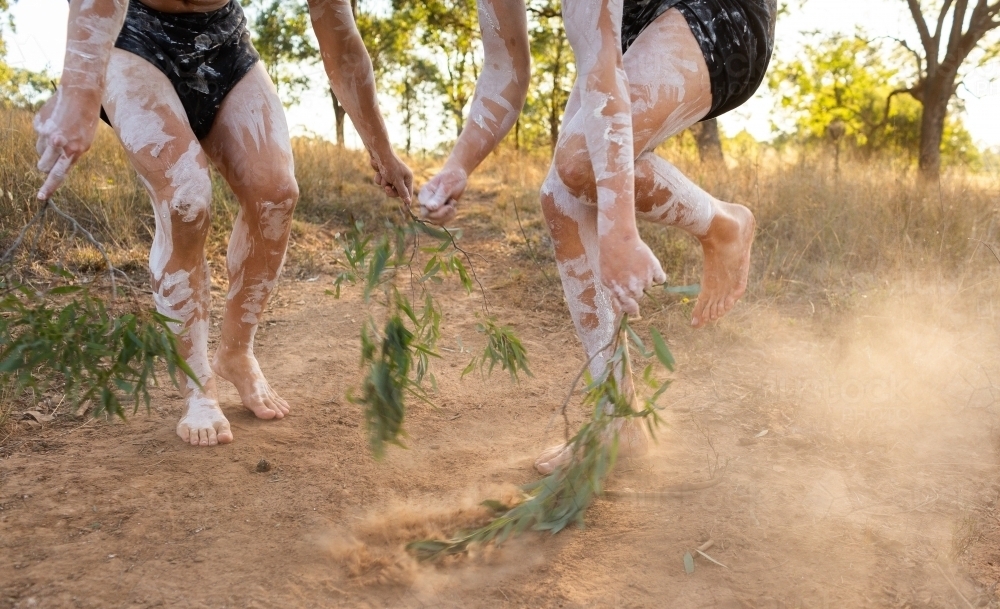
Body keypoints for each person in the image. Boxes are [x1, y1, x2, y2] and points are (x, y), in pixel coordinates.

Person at [418, 0, 775, 472]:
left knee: (582, 160)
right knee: (560, 199)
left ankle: (722, 224)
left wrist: (620, 230)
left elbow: (603, 72)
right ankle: (618, 419)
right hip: (630, 28)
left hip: (717, 13)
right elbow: (504, 68)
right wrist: (458, 166)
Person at [35, 0, 413, 446]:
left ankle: (236, 354)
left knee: (276, 195)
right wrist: (80, 91)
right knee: (187, 199)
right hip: (132, 38)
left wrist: (381, 148)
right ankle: (197, 388)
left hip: (224, 42)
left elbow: (341, 41)